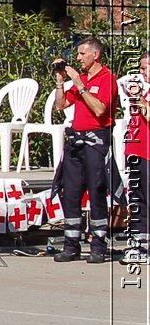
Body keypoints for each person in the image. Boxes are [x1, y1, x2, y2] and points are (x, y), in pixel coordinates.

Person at [53, 37, 119, 263]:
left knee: (97, 191)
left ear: (95, 55)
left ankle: (98, 245)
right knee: (71, 192)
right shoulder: (80, 79)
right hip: (75, 142)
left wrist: (80, 87)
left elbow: (100, 110)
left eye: (82, 54)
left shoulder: (108, 79)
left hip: (96, 141)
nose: (78, 58)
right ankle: (71, 245)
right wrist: (61, 82)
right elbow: (61, 105)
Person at [122, 52, 150, 265]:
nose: (142, 72)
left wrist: (140, 100)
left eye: (145, 68)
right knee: (137, 200)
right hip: (136, 150)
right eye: (140, 68)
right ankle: (139, 245)